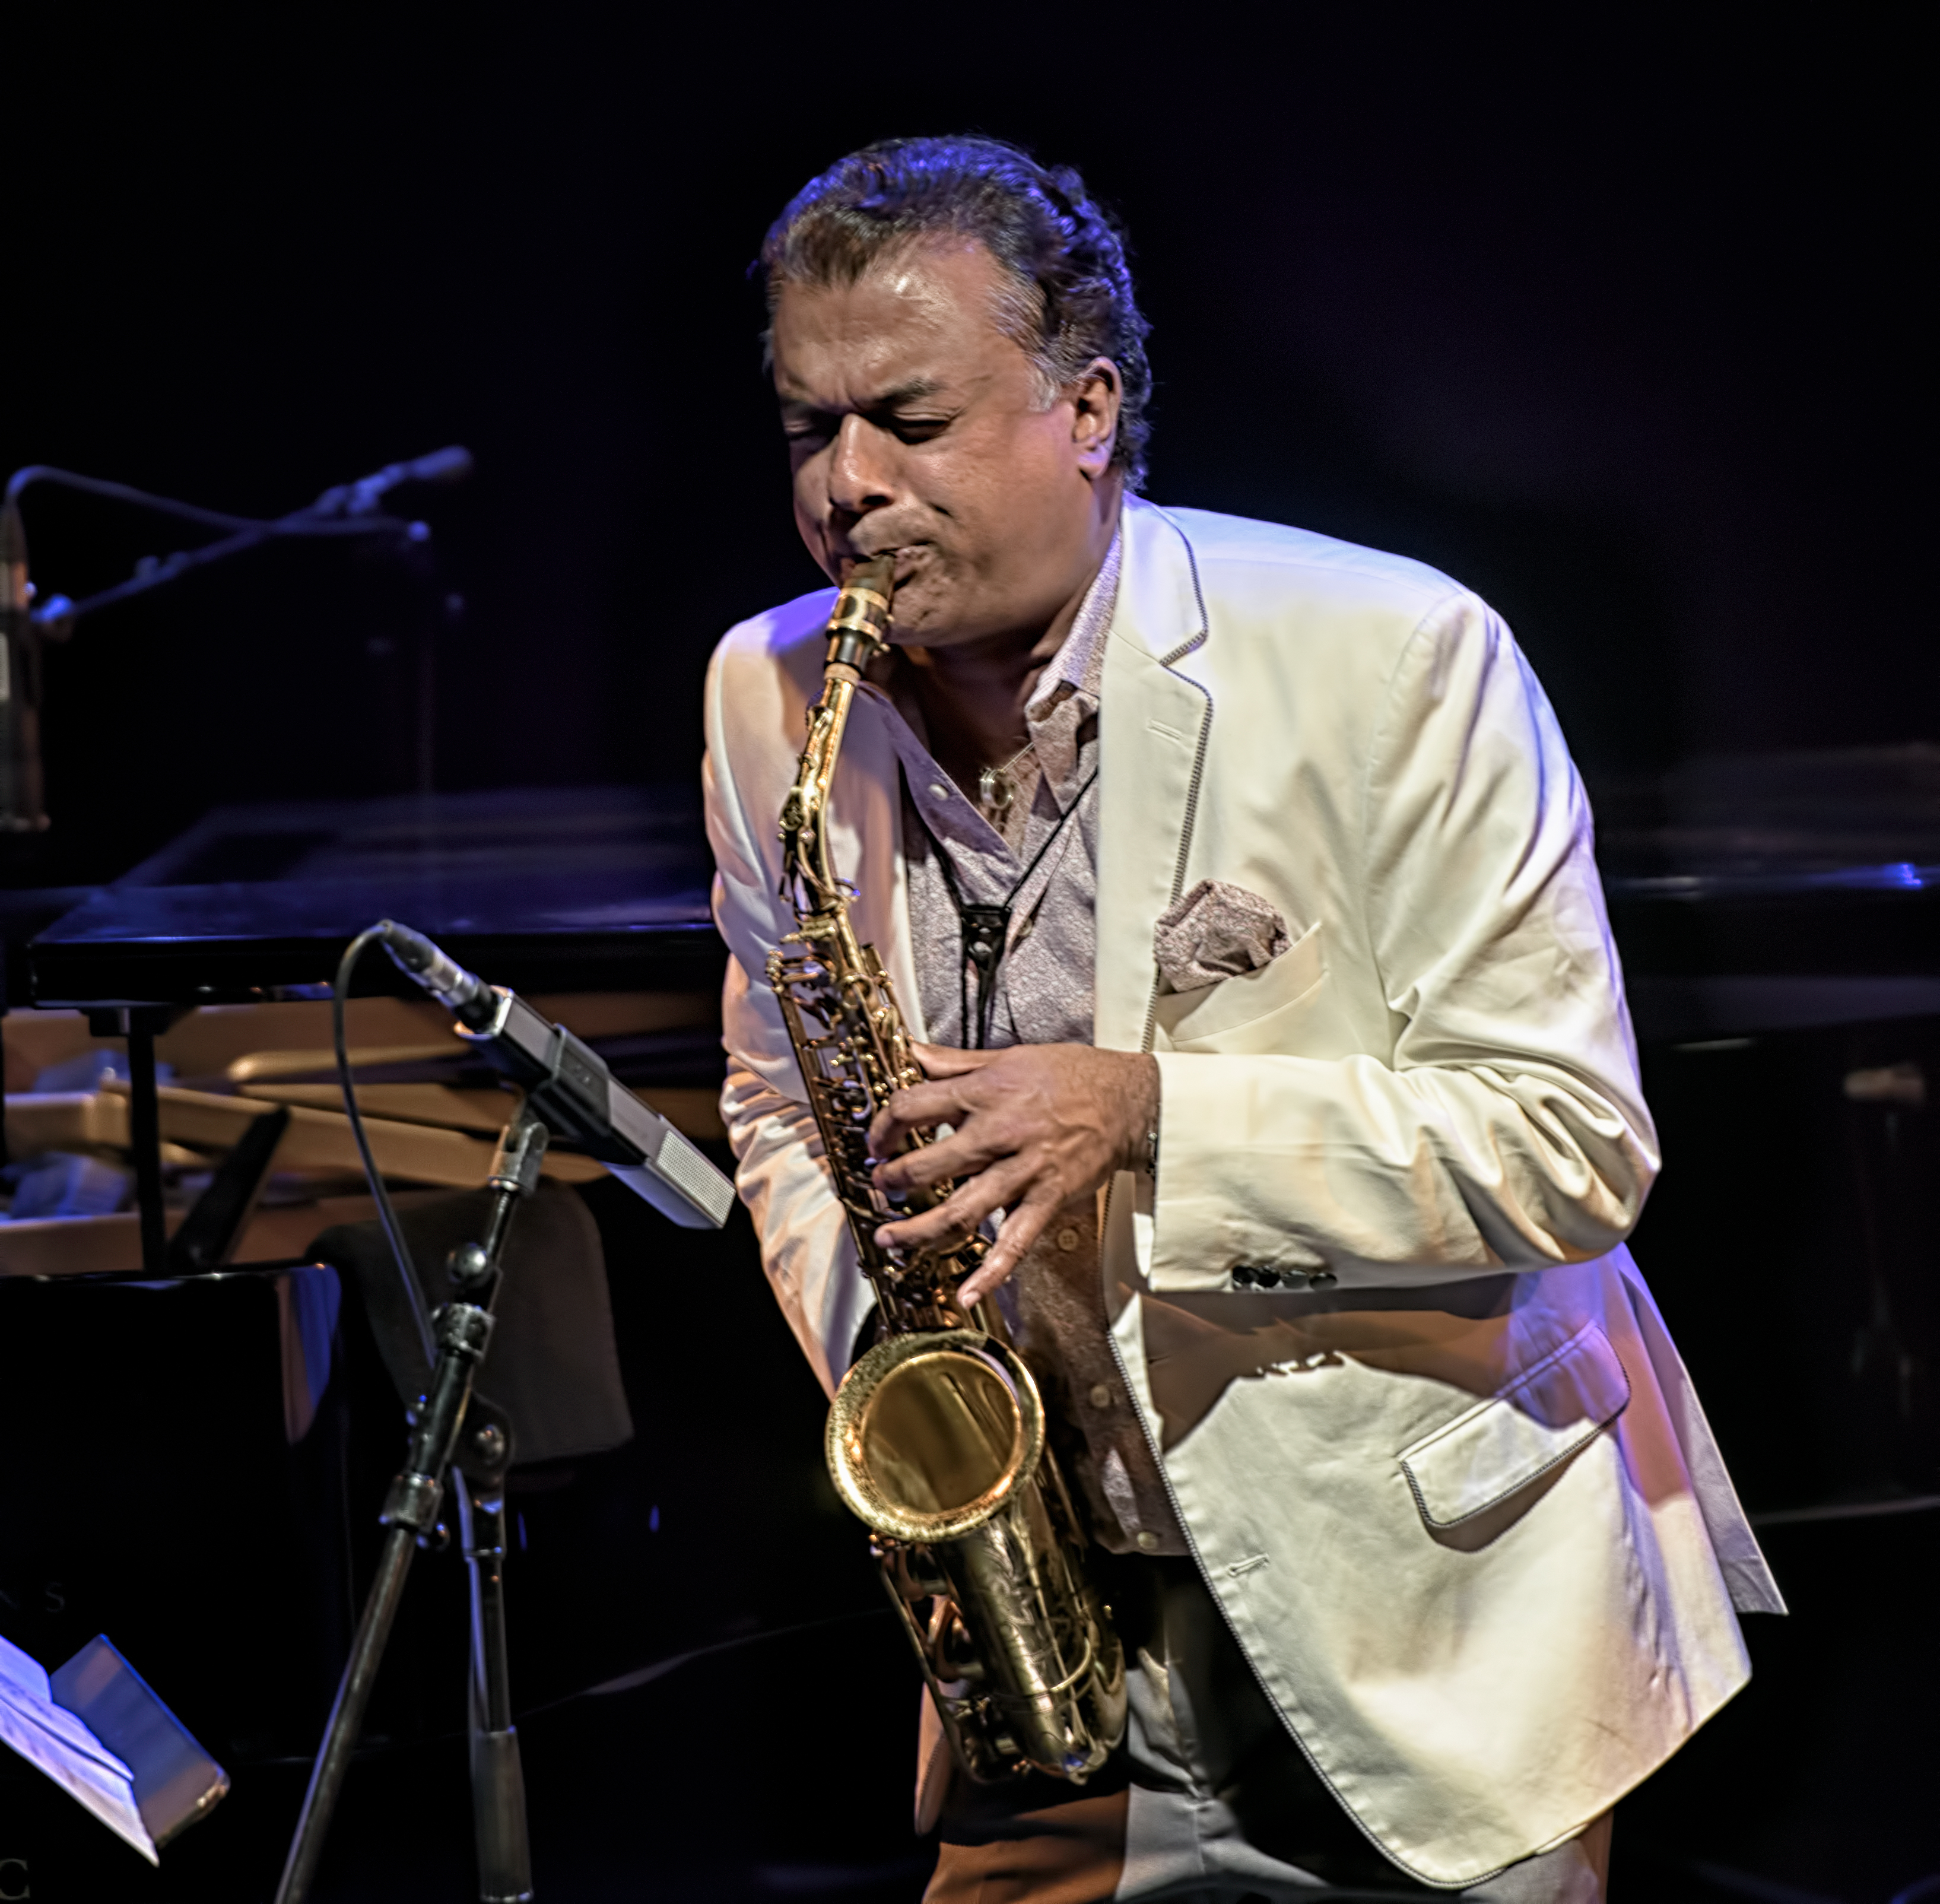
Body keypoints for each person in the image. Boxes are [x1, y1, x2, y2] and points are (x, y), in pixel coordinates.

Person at [702, 137, 1782, 1903]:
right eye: (810, 431)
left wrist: (1149, 1116)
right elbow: (775, 1088)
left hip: (1428, 1624)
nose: (849, 489)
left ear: (1089, 409)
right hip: (1052, 1641)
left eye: (910, 416)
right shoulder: (763, 692)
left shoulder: (1398, 652)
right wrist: (908, 1386)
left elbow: (1572, 1143)